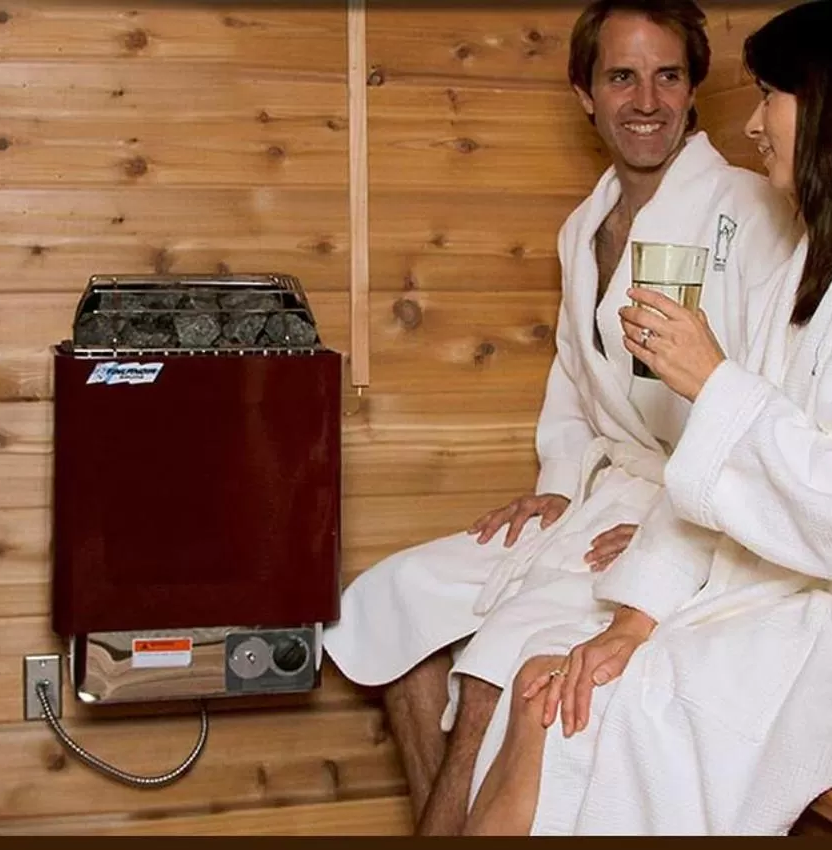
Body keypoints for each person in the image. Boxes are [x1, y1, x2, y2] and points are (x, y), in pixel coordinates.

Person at [461, 0, 832, 835]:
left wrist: (713, 379)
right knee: (547, 684)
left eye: (772, 97)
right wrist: (635, 616)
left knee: (613, 710)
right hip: (812, 591)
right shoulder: (820, 258)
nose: (756, 124)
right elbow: (715, 479)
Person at [319, 0, 798, 836]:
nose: (646, 99)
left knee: (490, 674)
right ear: (586, 92)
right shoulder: (584, 228)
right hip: (600, 492)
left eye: (668, 75)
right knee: (390, 599)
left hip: (681, 512)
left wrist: (682, 526)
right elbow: (574, 386)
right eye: (622, 76)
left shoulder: (753, 212)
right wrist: (558, 485)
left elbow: (767, 399)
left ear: (694, 90)